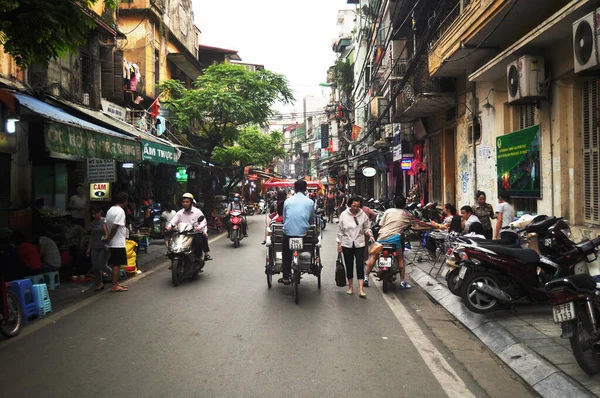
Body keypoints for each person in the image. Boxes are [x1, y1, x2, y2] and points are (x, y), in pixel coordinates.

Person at [365, 196, 433, 289]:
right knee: (400, 258)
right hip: (395, 239)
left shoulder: (388, 211)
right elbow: (419, 223)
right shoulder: (407, 214)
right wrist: (433, 226)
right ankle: (402, 282)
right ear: (404, 204)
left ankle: (366, 278)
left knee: (375, 256)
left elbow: (381, 225)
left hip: (382, 237)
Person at [337, 196, 374, 298]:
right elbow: (340, 231)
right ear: (350, 204)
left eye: (358, 206)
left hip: (359, 243)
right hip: (347, 243)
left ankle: (361, 289)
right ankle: (350, 287)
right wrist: (339, 244)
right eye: (354, 205)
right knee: (349, 266)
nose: (356, 208)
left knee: (359, 265)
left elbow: (367, 228)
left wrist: (370, 235)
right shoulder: (344, 215)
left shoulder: (363, 215)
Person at [279, 180, 315, 285]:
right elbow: (311, 219)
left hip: (288, 232)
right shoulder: (310, 202)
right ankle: (308, 263)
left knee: (286, 253)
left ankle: (285, 277)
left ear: (294, 188)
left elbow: (285, 219)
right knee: (309, 245)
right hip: (303, 233)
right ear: (305, 189)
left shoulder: (288, 201)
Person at [167, 193, 208, 266]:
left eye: (187, 202)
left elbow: (203, 221)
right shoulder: (179, 213)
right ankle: (172, 257)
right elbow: (173, 221)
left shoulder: (197, 211)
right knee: (172, 241)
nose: (185, 203)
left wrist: (199, 227)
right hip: (182, 233)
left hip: (194, 233)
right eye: (183, 202)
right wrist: (169, 226)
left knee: (199, 242)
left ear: (191, 203)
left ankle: (197, 258)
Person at [105, 192, 130, 292]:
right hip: (117, 242)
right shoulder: (120, 211)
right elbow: (115, 226)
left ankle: (116, 283)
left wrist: (107, 236)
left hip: (112, 242)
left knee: (115, 263)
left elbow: (105, 224)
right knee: (117, 265)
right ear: (124, 201)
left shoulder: (110, 210)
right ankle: (114, 285)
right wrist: (110, 237)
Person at [86, 206, 112, 291]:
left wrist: (108, 244)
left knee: (102, 265)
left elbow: (109, 233)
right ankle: (99, 283)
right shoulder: (93, 223)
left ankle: (114, 275)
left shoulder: (105, 221)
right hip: (95, 246)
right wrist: (89, 248)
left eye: (95, 213)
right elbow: (92, 236)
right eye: (92, 214)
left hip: (104, 246)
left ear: (99, 212)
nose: (94, 215)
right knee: (94, 265)